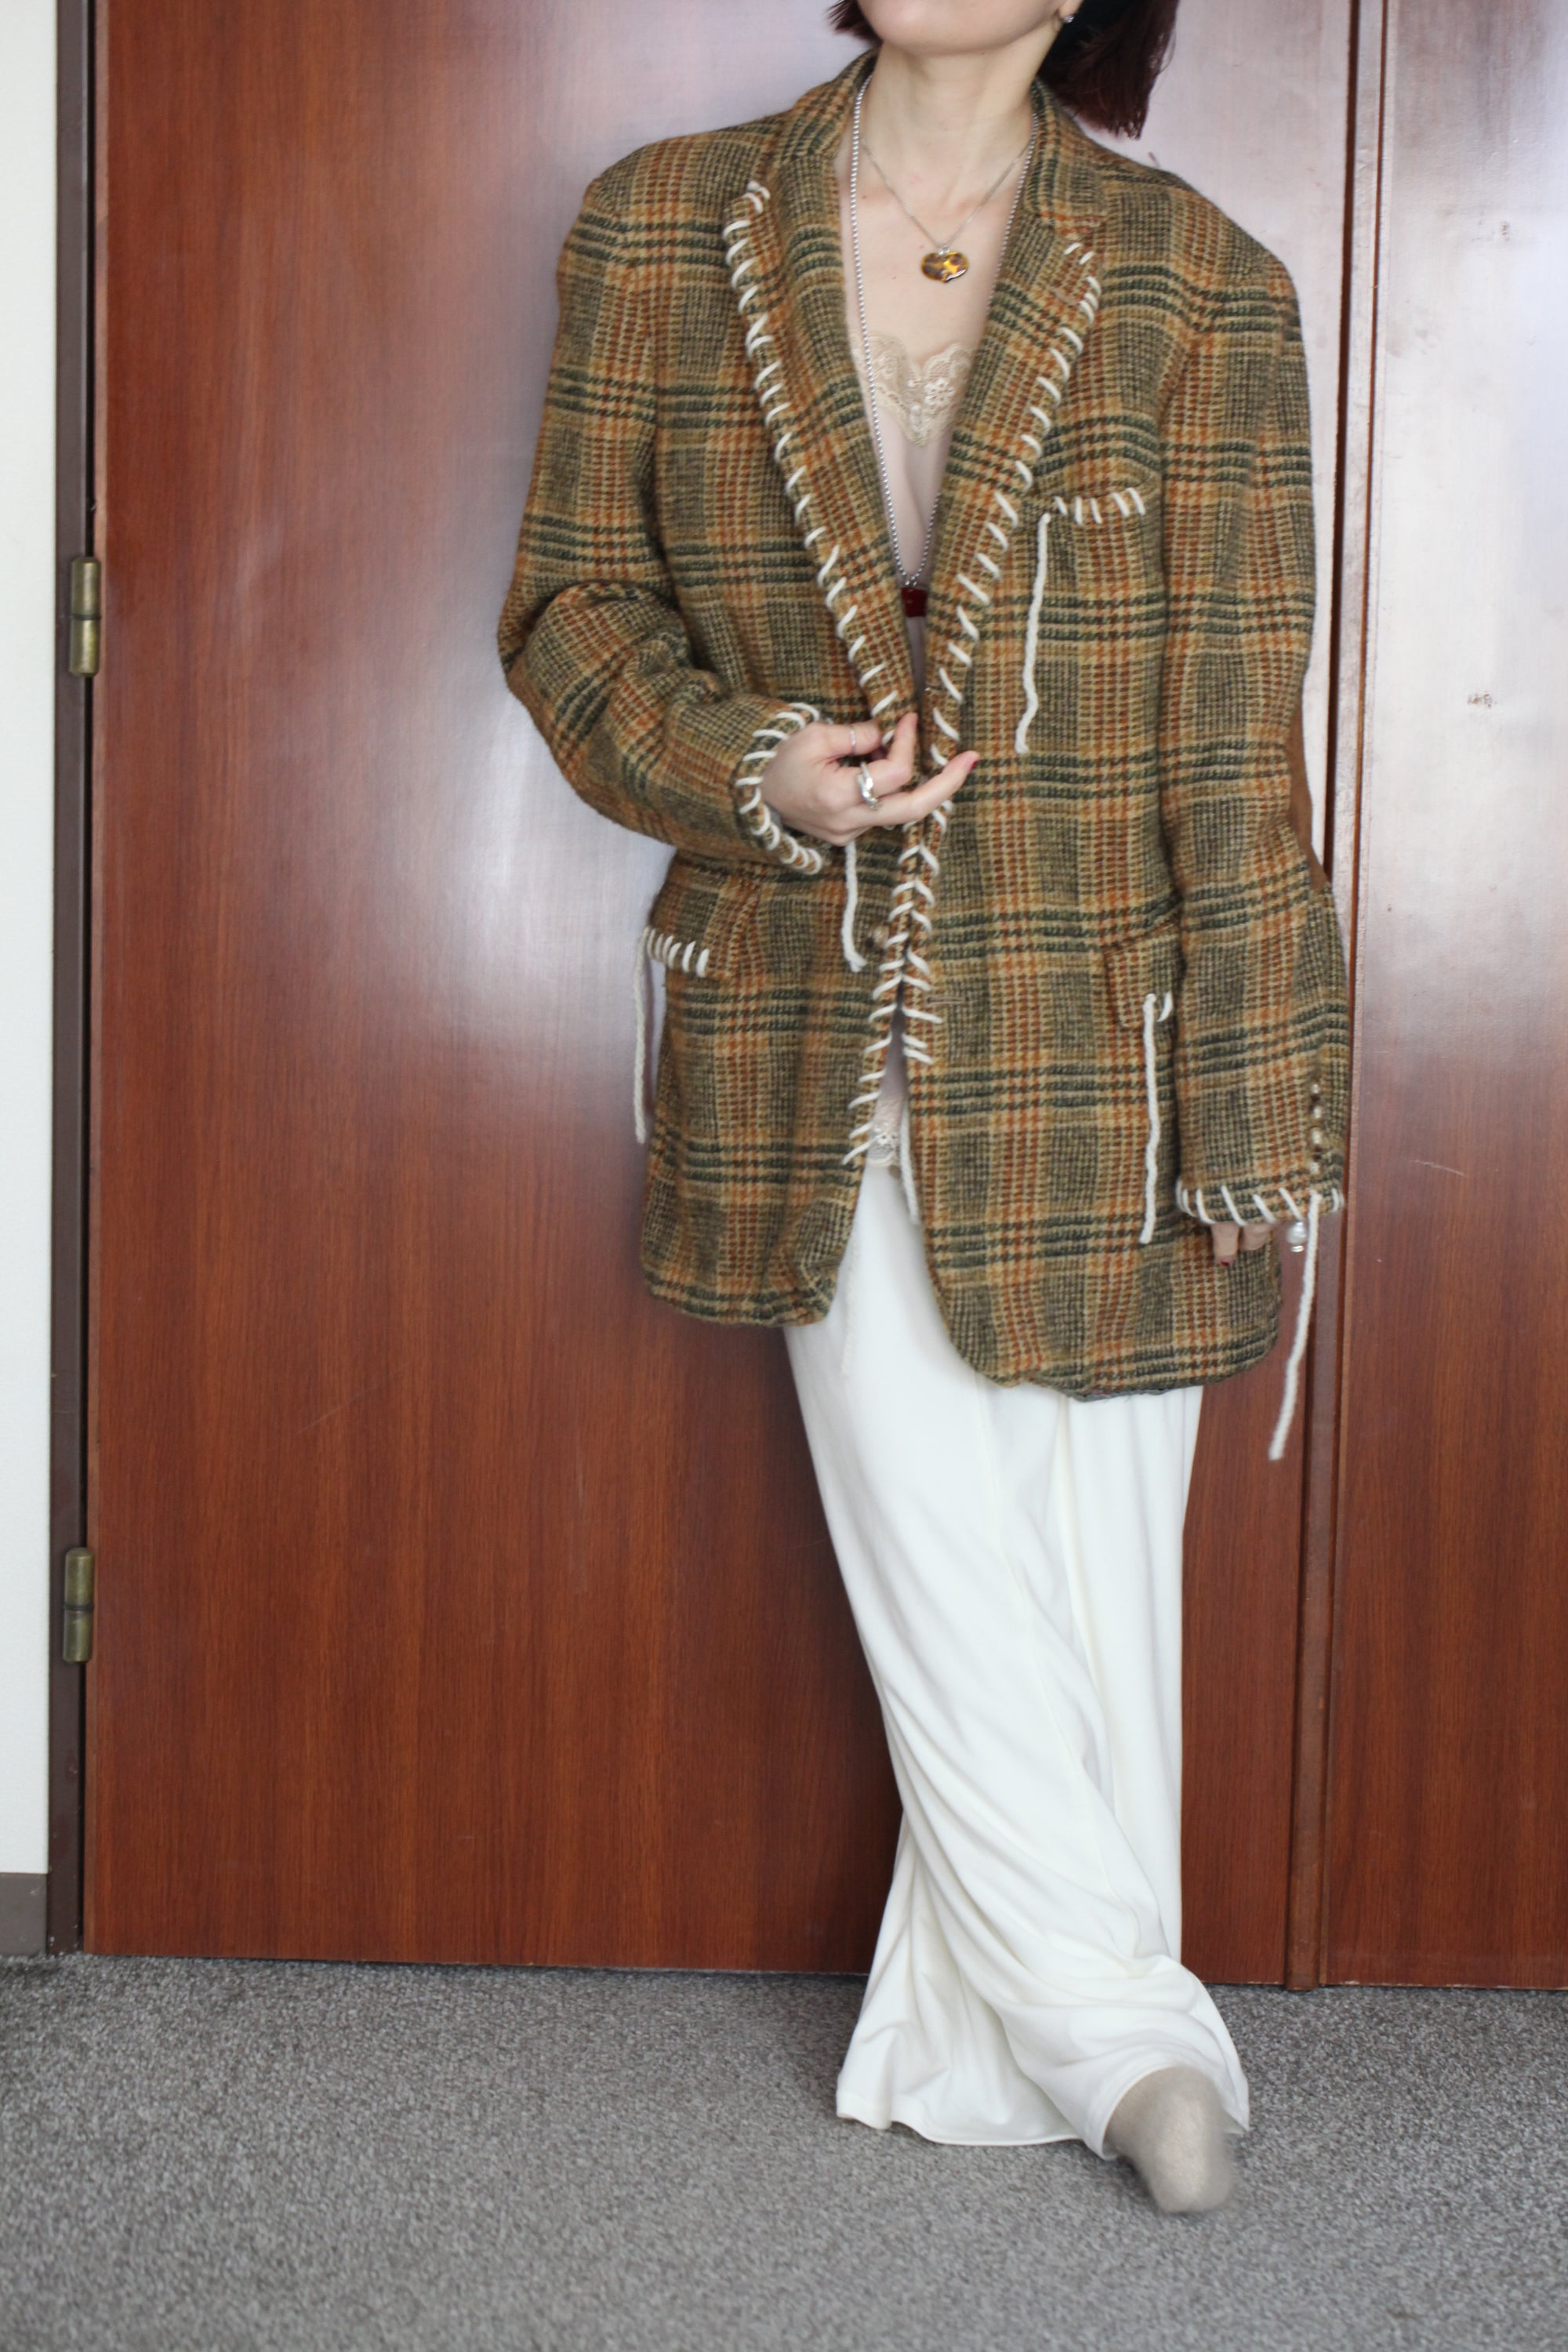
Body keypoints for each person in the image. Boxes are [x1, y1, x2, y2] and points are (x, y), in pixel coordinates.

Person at [498, 0, 1349, 2216]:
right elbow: (574, 614)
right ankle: (1132, 2040)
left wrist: (1257, 1088)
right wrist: (753, 767)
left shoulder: (1203, 282)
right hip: (809, 994)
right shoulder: (667, 228)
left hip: (1108, 1021)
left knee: (1092, 1552)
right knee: (932, 1533)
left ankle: (994, 2038)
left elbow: (1239, 732)